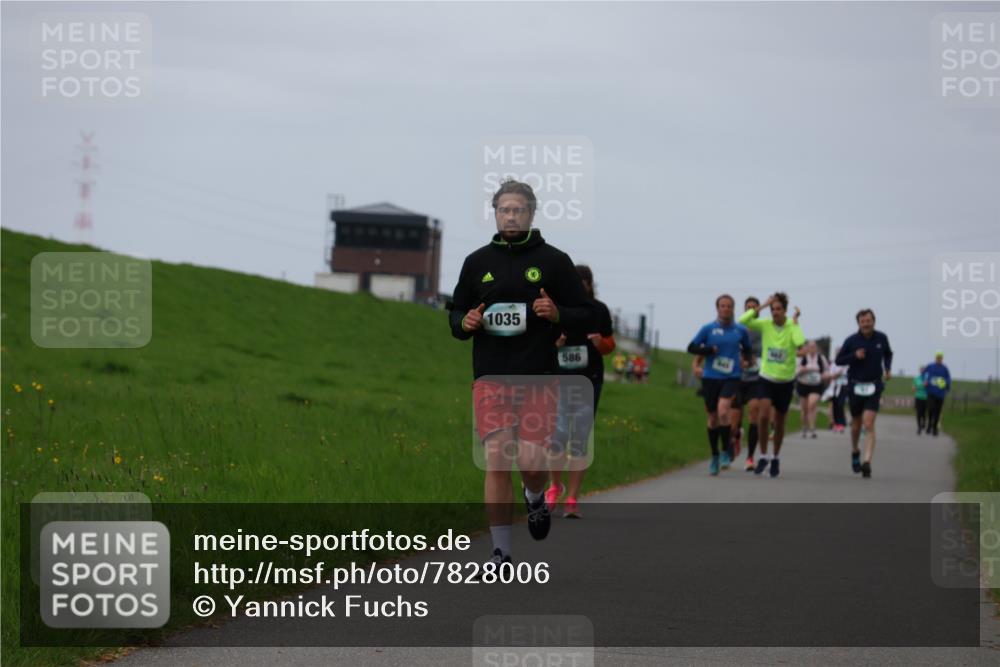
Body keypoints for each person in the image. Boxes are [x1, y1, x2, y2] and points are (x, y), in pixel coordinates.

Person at [449, 179, 597, 567]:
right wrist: (464, 322)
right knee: (497, 457)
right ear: (495, 213)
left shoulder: (554, 261)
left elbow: (587, 315)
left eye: (518, 210)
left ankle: (534, 497)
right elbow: (455, 313)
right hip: (491, 377)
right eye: (504, 210)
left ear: (531, 214)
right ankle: (500, 552)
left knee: (531, 464)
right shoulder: (477, 262)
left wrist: (559, 313)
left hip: (538, 378)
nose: (510, 216)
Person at [546, 265, 616, 518]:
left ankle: (572, 499)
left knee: (579, 438)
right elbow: (541, 346)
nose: (577, 285)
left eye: (581, 281)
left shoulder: (599, 310)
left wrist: (600, 343)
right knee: (557, 436)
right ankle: (555, 486)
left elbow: (610, 345)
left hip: (589, 380)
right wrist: (555, 345)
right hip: (560, 380)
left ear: (589, 284)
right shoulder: (556, 309)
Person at [738, 292, 804, 478]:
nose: (775, 312)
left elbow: (799, 342)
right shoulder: (765, 324)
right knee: (764, 416)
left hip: (785, 380)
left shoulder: (791, 325)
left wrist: (795, 322)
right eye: (773, 309)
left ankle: (775, 457)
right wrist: (764, 305)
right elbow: (743, 321)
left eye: (778, 309)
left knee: (780, 422)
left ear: (784, 310)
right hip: (766, 378)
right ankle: (763, 456)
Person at [688, 294, 752, 475]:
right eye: (723, 306)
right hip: (710, 377)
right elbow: (691, 347)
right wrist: (708, 350)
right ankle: (715, 455)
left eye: (729, 306)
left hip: (732, 376)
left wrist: (746, 360)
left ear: (733, 309)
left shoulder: (740, 330)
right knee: (713, 418)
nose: (726, 309)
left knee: (724, 410)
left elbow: (748, 349)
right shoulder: (708, 329)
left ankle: (725, 450)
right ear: (717, 308)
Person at [835, 309, 893, 478]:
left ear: (874, 321)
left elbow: (888, 353)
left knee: (868, 423)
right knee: (856, 425)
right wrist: (854, 355)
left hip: (874, 385)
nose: (866, 324)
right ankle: (855, 450)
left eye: (868, 320)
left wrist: (887, 368)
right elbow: (839, 360)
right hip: (855, 385)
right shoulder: (851, 340)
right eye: (863, 321)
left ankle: (867, 461)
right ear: (858, 323)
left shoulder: (881, 338)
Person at [731, 296, 764, 471]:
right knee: (734, 421)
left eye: (754, 307)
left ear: (759, 310)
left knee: (754, 412)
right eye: (748, 307)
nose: (751, 309)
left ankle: (750, 457)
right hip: (737, 377)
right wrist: (739, 360)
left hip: (756, 379)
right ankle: (736, 435)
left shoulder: (764, 329)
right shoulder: (737, 329)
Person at [795, 340, 830, 438]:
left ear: (816, 348)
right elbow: (795, 371)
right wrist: (803, 369)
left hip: (816, 385)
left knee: (812, 405)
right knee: (804, 408)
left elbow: (827, 370)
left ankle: (812, 429)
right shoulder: (801, 358)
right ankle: (804, 427)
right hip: (803, 384)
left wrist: (824, 375)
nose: (812, 348)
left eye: (814, 346)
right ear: (806, 348)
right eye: (810, 346)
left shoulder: (821, 358)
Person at [924, 352, 951, 436]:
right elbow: (924, 373)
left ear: (942, 359)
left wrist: (946, 386)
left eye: (940, 358)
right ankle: (929, 425)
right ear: (935, 358)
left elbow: (948, 379)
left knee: (937, 412)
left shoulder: (944, 368)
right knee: (931, 409)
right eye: (937, 358)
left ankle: (935, 428)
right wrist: (925, 381)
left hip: (940, 394)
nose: (939, 359)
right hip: (931, 392)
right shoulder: (930, 366)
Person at [823, 349, 848, 433]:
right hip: (834, 387)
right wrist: (836, 375)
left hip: (844, 386)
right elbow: (830, 375)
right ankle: (835, 423)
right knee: (834, 405)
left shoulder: (847, 364)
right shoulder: (834, 364)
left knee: (840, 404)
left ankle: (841, 423)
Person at [913, 365, 929, 435]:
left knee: (924, 412)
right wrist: (922, 385)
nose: (922, 371)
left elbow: (929, 387)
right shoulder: (916, 379)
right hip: (918, 397)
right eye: (921, 370)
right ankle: (919, 427)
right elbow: (913, 389)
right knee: (918, 413)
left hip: (926, 398)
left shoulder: (927, 378)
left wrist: (924, 385)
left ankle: (924, 423)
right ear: (919, 371)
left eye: (923, 370)